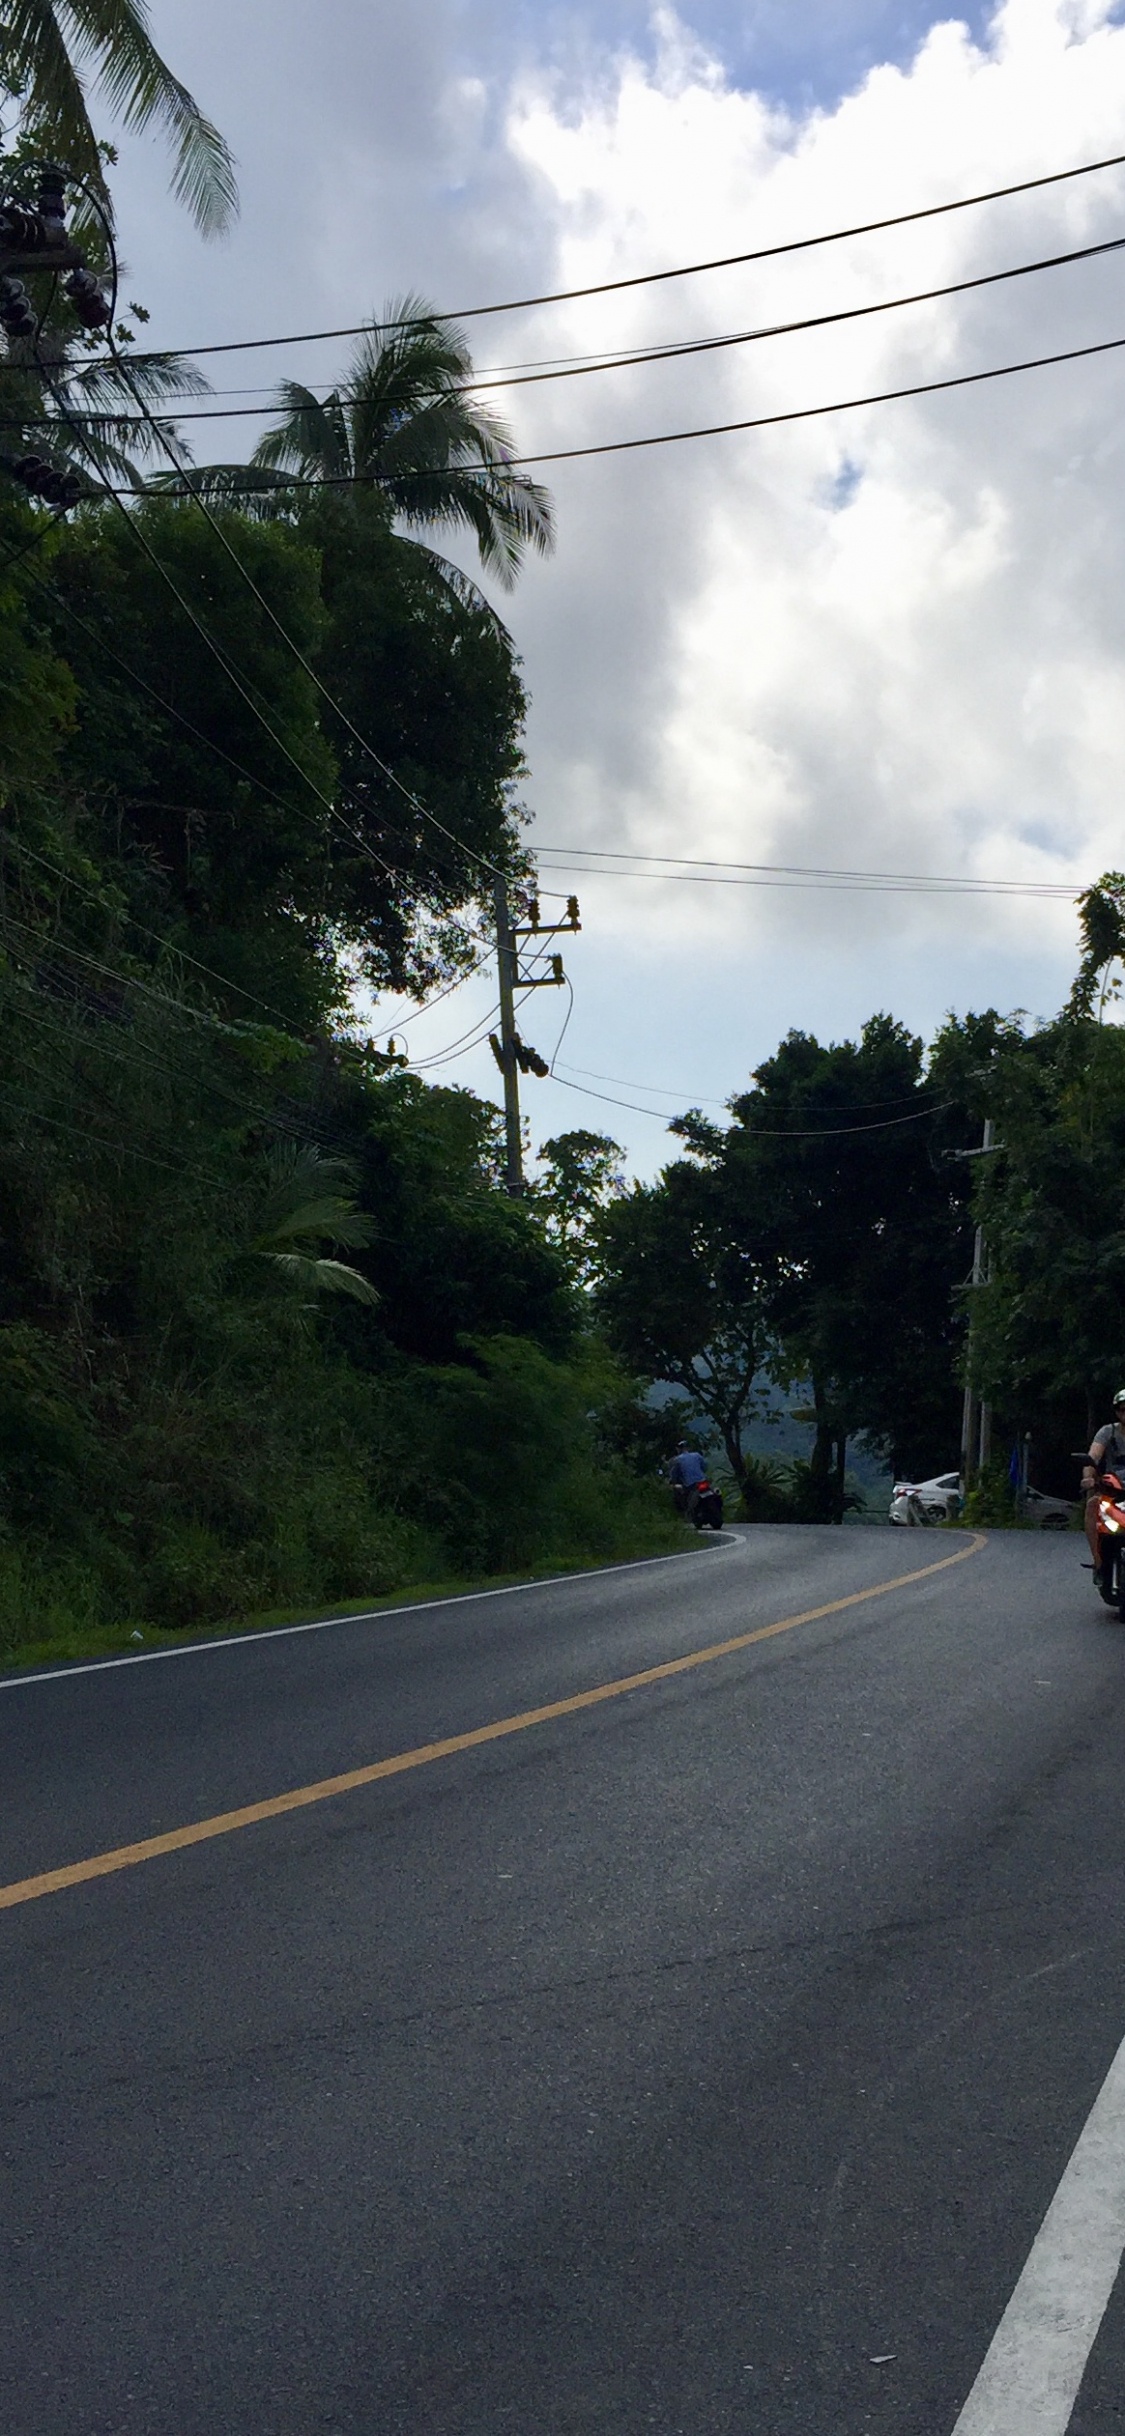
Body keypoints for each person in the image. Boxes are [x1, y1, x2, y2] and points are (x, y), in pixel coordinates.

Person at [1082, 1389, 1125, 1570]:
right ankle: (1098, 1559)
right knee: (1092, 1506)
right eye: (1122, 1409)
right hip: (1113, 1489)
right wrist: (1088, 1478)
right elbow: (1093, 1457)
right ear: (1117, 1412)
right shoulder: (1108, 1432)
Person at [668, 1438, 707, 1523]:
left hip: (691, 1485)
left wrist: (672, 1481)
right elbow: (704, 1467)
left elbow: (674, 1475)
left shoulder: (677, 1460)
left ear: (679, 1449)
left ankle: (687, 1514)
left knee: (681, 1494)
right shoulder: (697, 1455)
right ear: (688, 1448)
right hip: (703, 1481)